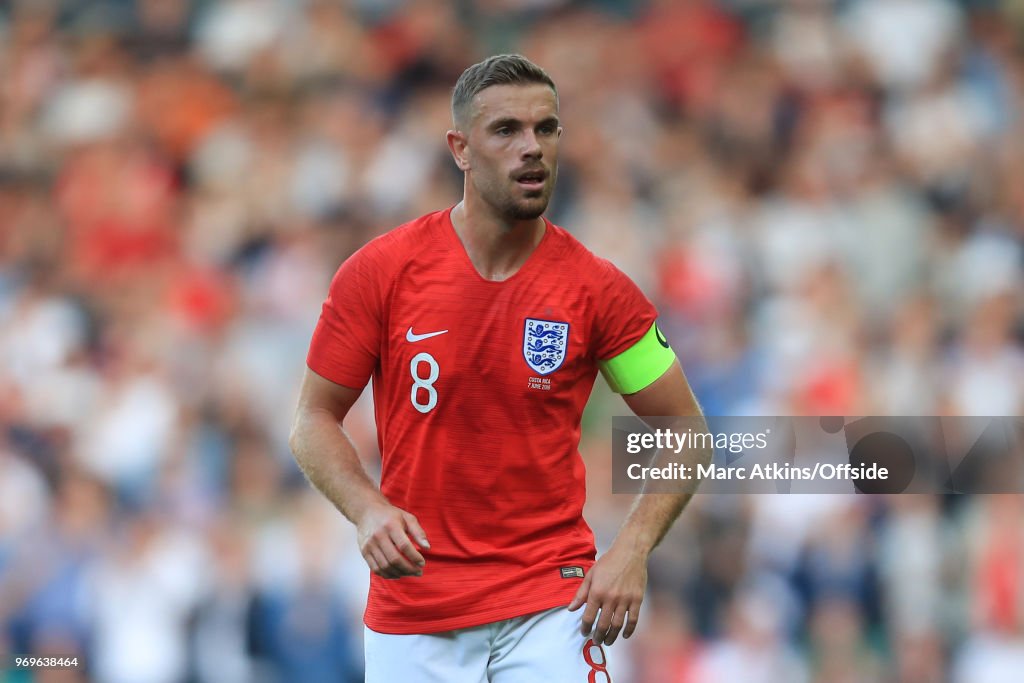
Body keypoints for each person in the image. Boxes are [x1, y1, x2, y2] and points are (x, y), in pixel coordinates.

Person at [289, 53, 708, 682]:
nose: (532, 147)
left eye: (547, 128)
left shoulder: (601, 291)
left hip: (552, 602)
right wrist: (367, 508)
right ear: (460, 148)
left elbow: (685, 428)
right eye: (507, 130)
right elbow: (312, 418)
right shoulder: (380, 273)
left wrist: (632, 548)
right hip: (416, 610)